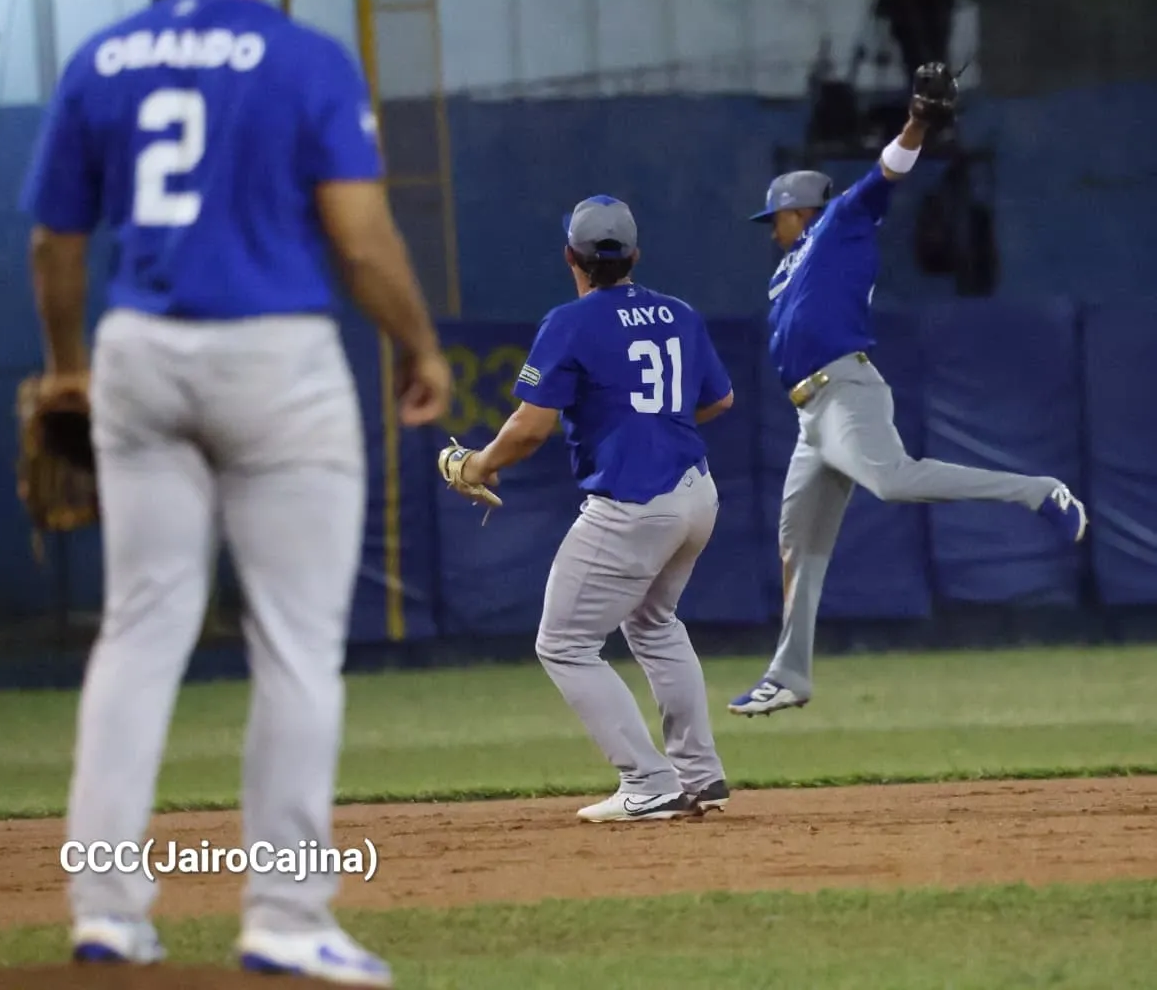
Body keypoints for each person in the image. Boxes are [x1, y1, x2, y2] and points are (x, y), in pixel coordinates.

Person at [21, 0, 451, 986]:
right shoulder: (304, 59)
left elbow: (56, 241)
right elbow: (357, 235)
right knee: (295, 643)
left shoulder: (105, 58)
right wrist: (415, 342)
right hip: (275, 356)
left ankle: (106, 909)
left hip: (138, 352)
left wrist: (64, 366)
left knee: (137, 631)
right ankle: (286, 914)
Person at [728, 63, 1087, 719]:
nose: (770, 228)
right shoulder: (787, 269)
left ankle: (1039, 492)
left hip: (846, 392)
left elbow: (888, 172)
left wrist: (918, 120)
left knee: (891, 480)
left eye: (774, 217)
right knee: (797, 542)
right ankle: (789, 675)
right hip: (809, 416)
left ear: (799, 210)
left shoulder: (837, 224)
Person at [452, 196, 734, 822]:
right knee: (655, 625)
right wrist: (652, 415)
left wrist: (481, 463)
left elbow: (528, 428)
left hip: (634, 504)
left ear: (570, 257)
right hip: (696, 492)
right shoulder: (680, 313)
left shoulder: (571, 321)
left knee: (564, 644)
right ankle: (699, 773)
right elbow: (720, 399)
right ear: (634, 255)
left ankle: (649, 781)